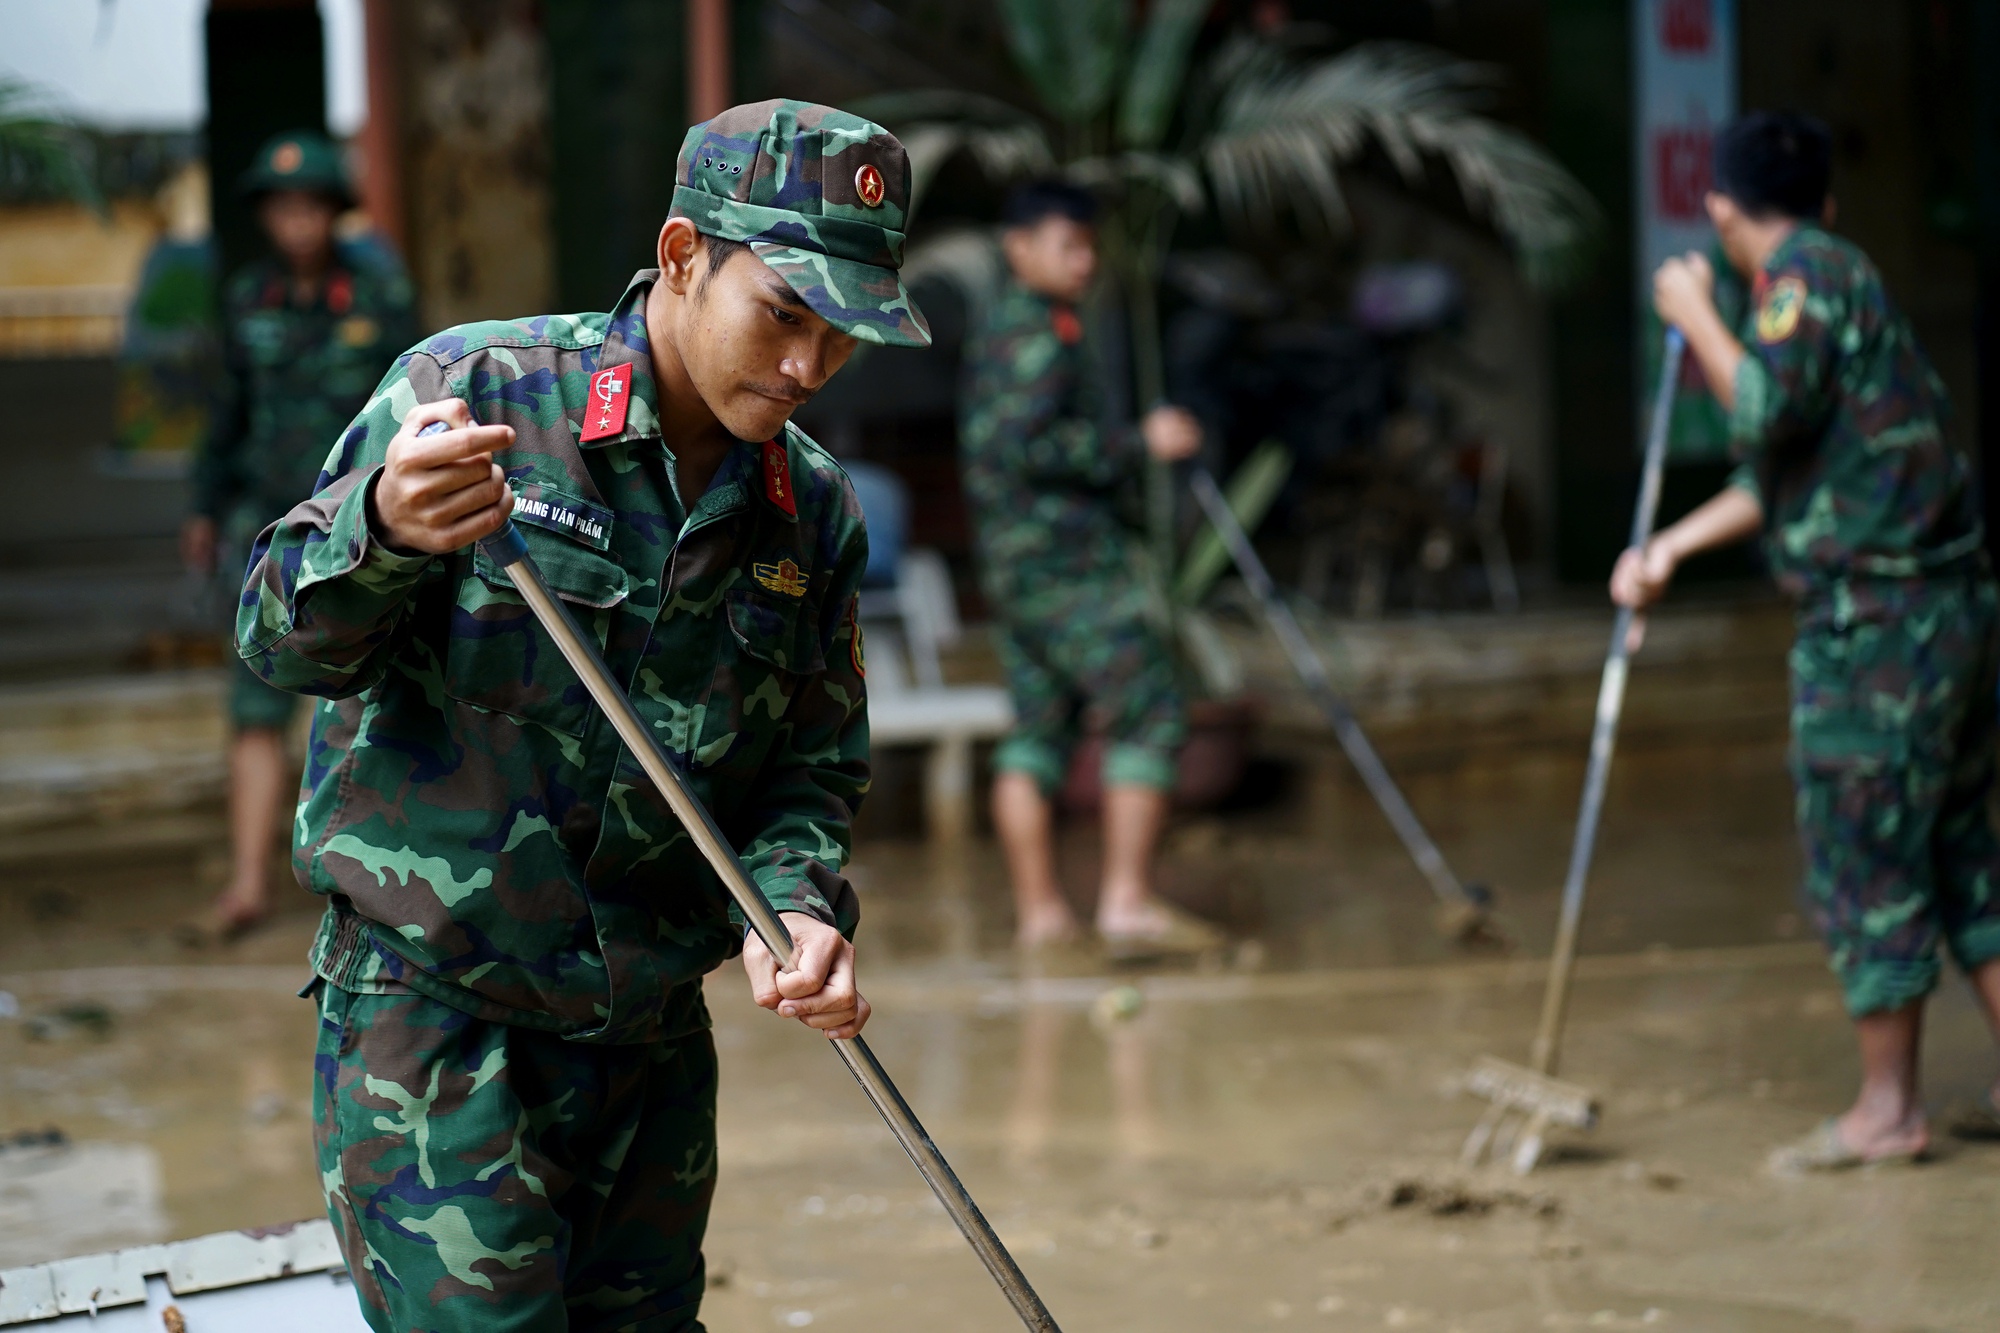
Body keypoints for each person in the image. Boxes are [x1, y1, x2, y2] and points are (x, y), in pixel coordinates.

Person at [237, 101, 921, 1330]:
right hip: (436, 1028)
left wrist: (798, 912)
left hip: (648, 1048)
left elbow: (808, 777)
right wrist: (384, 531)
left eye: (843, 337)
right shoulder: (470, 398)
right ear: (678, 256)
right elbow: (280, 643)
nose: (808, 368)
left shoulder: (810, 513)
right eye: (782, 313)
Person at [1612, 111, 2000, 1168]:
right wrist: (1667, 549)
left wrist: (1692, 311)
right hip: (1943, 610)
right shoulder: (1842, 276)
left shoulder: (1798, 279)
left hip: (1875, 629)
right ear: (1825, 196)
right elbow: (1785, 472)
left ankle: (1887, 1111)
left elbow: (1759, 412)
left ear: (1719, 209)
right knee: (1962, 855)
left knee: (1865, 857)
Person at [958, 180, 1218, 958]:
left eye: (1089, 245)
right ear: (1020, 248)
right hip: (1065, 566)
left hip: (1019, 572)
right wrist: (1139, 441)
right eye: (1068, 243)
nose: (1085, 260)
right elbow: (1022, 448)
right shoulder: (1035, 334)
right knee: (1152, 704)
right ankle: (1126, 903)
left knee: (1039, 729)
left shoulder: (1021, 327)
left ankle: (1043, 915)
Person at [183, 129, 415, 938]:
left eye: (312, 207)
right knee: (254, 703)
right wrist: (204, 509)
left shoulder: (380, 301)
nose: (299, 224)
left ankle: (362, 885)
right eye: (283, 208)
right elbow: (224, 416)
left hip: (361, 533)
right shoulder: (248, 302)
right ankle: (248, 882)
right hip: (266, 532)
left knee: (363, 701)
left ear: (333, 212)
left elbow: (417, 406)